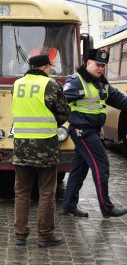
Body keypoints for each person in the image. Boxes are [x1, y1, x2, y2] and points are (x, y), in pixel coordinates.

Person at [12, 54, 70, 247]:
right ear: (45, 67)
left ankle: (20, 234)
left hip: (21, 146)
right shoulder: (51, 85)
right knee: (46, 192)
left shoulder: (17, 84)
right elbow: (63, 113)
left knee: (22, 192)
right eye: (49, 67)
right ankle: (45, 236)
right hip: (45, 145)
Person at [62, 49, 127, 218]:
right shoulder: (76, 82)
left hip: (92, 131)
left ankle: (69, 206)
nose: (101, 69)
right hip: (82, 131)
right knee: (101, 165)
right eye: (98, 65)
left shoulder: (101, 84)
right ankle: (107, 208)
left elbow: (120, 100)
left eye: (103, 66)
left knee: (78, 169)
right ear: (88, 63)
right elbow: (59, 102)